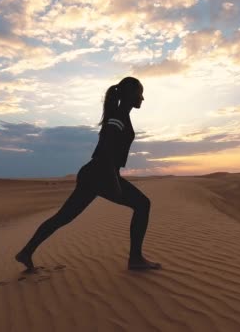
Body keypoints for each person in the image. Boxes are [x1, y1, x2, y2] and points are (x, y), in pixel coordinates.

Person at [15, 76, 161, 272]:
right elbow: (106, 149)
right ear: (131, 94)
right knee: (143, 205)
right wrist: (114, 183)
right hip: (100, 174)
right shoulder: (118, 117)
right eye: (140, 93)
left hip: (95, 174)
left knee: (63, 217)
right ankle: (135, 259)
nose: (142, 98)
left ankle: (26, 252)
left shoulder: (120, 115)